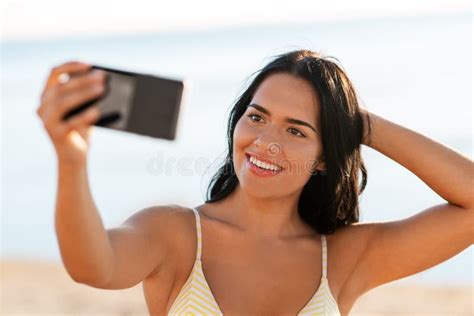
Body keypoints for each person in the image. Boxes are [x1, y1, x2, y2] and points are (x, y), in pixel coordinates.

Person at [36, 50, 473, 316]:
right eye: (257, 117)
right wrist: (72, 163)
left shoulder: (344, 257)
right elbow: (93, 266)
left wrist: (361, 125)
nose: (266, 143)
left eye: (296, 130)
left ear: (324, 158)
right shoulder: (175, 234)